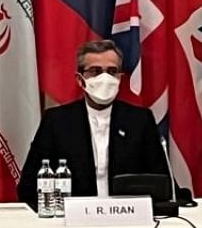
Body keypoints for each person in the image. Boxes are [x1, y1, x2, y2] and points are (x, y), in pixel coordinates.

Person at [17, 40, 168, 206]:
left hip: (127, 219)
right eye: (96, 71)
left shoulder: (140, 120)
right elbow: (29, 186)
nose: (105, 78)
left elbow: (161, 182)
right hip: (73, 221)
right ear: (80, 79)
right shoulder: (56, 121)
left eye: (112, 71)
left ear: (119, 78)